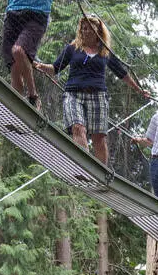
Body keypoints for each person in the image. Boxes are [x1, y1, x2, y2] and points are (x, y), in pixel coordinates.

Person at [36, 15, 147, 164]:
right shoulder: (72, 48)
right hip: (73, 94)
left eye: (89, 28)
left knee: (99, 137)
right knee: (77, 127)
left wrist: (138, 89)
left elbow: (122, 73)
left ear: (98, 31)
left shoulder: (105, 52)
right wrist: (43, 67)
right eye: (83, 28)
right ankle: (85, 166)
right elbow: (55, 68)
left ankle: (101, 175)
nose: (85, 31)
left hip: (98, 96)